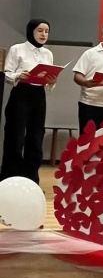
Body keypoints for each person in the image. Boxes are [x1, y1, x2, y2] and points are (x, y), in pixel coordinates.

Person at [0, 19, 57, 184]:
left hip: (39, 95)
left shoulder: (48, 53)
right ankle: (10, 179)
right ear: (31, 31)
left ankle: (31, 180)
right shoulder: (17, 49)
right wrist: (18, 75)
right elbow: (7, 73)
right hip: (21, 94)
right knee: (15, 137)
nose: (43, 34)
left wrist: (52, 82)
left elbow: (48, 77)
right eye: (40, 30)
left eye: (46, 31)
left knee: (36, 138)